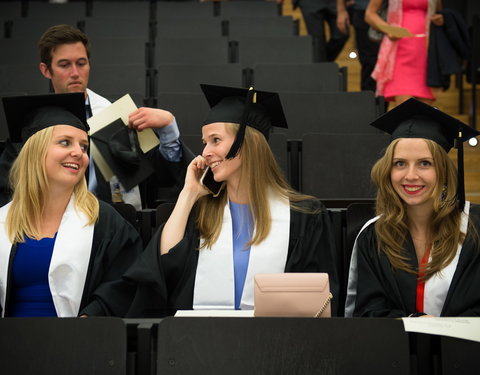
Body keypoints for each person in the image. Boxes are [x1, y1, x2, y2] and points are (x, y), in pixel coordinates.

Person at [125, 84, 339, 317]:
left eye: (215, 140)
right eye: (205, 142)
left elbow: (318, 304)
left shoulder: (305, 216)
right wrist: (188, 194)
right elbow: (162, 268)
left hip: (276, 346)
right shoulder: (202, 211)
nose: (205, 152)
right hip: (202, 345)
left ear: (248, 144)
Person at [0, 24, 191, 207]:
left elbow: (161, 179)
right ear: (46, 70)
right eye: (64, 65)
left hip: (108, 222)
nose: (75, 73)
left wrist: (168, 130)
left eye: (81, 63)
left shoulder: (116, 116)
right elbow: (11, 184)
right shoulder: (32, 125)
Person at [0, 93, 143, 317]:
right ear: (34, 151)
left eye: (84, 147)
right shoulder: (2, 221)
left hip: (76, 344)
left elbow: (126, 283)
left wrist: (88, 320)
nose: (79, 153)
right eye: (65, 142)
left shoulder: (105, 222)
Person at [345, 98, 480, 317]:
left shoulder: (475, 228)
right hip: (394, 350)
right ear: (388, 171)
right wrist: (418, 324)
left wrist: (441, 334)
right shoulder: (374, 235)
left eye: (425, 163)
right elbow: (368, 314)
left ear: (444, 171)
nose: (410, 176)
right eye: (400, 163)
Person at [365, 0, 444, 105]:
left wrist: (441, 20)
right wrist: (388, 29)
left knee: (425, 107)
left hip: (425, 51)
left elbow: (439, 12)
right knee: (404, 103)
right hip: (398, 49)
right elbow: (369, 14)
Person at [336, 0, 379, 92]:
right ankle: (370, 103)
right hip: (363, 10)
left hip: (397, 14)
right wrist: (341, 9)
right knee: (369, 62)